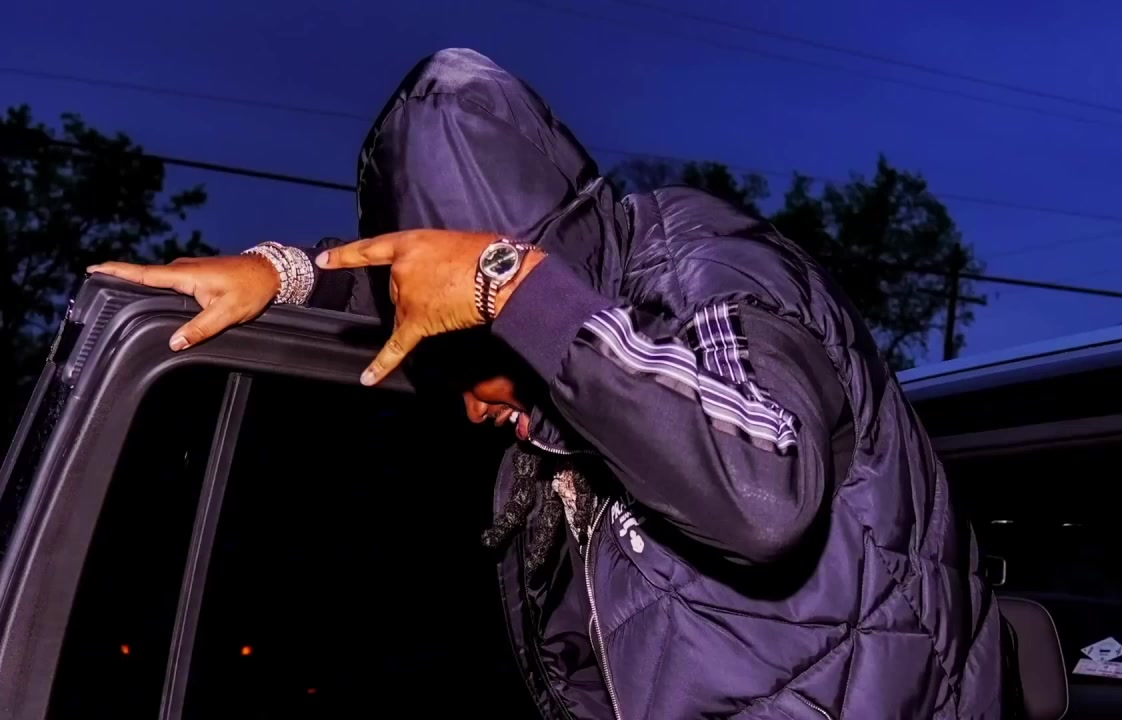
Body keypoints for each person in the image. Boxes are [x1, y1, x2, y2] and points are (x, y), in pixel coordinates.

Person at [90, 48, 1003, 719]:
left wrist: (516, 293)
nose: (469, 404)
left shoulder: (712, 277)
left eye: (477, 359)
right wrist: (285, 274)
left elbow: (764, 499)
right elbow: (430, 290)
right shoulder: (579, 308)